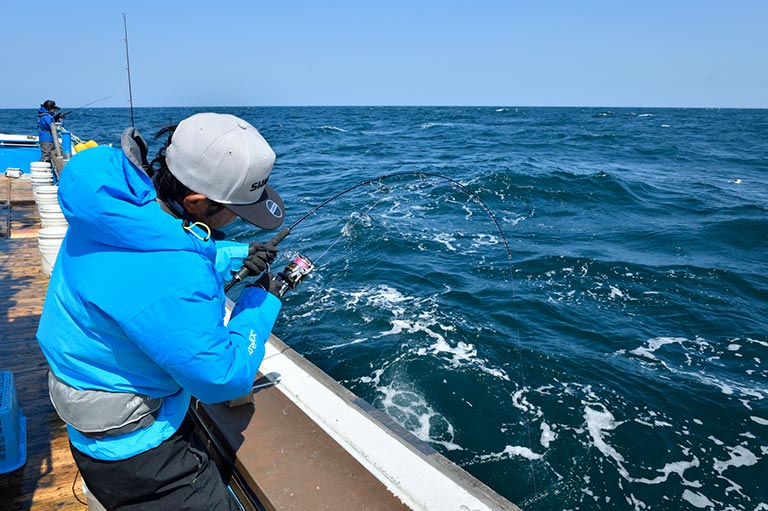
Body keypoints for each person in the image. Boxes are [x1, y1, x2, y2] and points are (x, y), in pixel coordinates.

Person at [36, 112, 287, 510]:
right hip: (141, 456)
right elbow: (222, 378)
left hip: (90, 419)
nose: (238, 220)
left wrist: (235, 254)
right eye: (235, 211)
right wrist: (260, 300)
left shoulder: (112, 206)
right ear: (196, 201)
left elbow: (152, 256)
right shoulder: (174, 272)